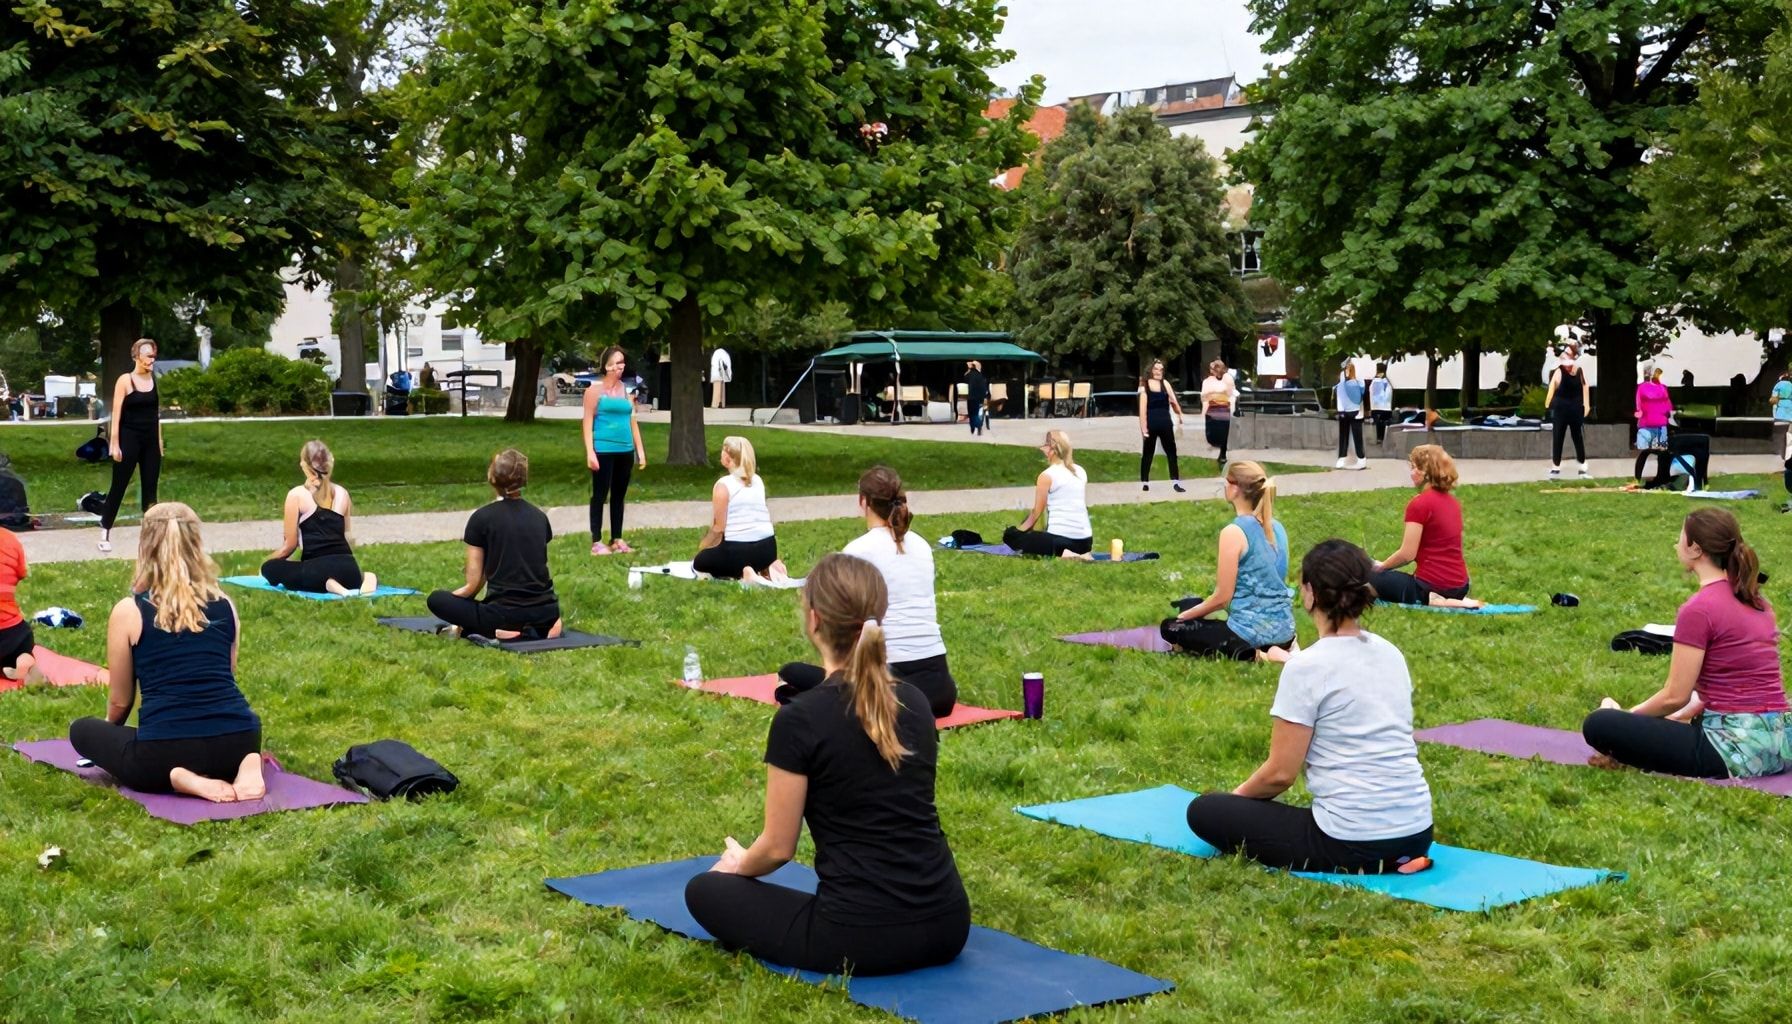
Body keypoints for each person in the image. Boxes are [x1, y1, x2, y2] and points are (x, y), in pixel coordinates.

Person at [684, 553, 970, 976]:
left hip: (858, 937)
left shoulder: (798, 721)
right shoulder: (913, 702)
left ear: (814, 620)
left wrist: (737, 866)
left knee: (704, 890)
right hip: (948, 923)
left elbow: (779, 848)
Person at [1187, 539, 1434, 873]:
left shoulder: (1306, 667)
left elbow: (1279, 775)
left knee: (1204, 811)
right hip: (1418, 831)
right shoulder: (1390, 652)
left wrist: (1234, 801)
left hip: (1348, 840)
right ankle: (1397, 857)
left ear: (1309, 592)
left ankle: (1378, 859)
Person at [68, 503, 265, 802]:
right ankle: (249, 763)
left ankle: (178, 775)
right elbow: (227, 672)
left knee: (81, 730)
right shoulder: (225, 604)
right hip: (239, 736)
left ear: (146, 547)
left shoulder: (129, 611)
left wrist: (113, 736)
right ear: (195, 544)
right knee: (225, 745)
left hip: (165, 748)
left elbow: (121, 701)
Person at [1583, 509, 1788, 777]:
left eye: (1680, 538)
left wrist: (1629, 718)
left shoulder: (1699, 609)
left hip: (1735, 751)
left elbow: (1674, 697)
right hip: (1779, 746)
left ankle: (1618, 732)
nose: (1675, 544)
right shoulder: (1758, 601)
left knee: (1600, 723)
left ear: (1695, 549)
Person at [777, 467, 957, 717]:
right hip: (940, 689)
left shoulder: (859, 551)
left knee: (792, 672)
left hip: (887, 684)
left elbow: (840, 616)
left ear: (864, 502)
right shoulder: (922, 546)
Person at [1162, 461, 1297, 661]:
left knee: (1171, 626)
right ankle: (1280, 649)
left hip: (1250, 635)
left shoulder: (1233, 532)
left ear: (1235, 488)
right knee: (1194, 607)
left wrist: (1185, 617)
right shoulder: (1277, 527)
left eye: (1226, 482)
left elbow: (1222, 598)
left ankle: (1261, 656)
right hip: (1286, 631)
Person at [426, 449, 562, 640]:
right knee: (522, 610)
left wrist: (454, 604)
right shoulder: (540, 517)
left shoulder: (481, 518)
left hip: (504, 614)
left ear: (492, 478)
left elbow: (472, 586)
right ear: (523, 480)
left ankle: (501, 630)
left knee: (437, 600)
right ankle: (545, 626)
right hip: (546, 611)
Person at [259, 440, 377, 596]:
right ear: (330, 462)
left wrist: (268, 561)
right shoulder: (343, 493)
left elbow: (290, 545)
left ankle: (332, 585)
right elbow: (347, 537)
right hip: (350, 569)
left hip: (317, 571)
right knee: (361, 575)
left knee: (270, 568)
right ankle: (365, 580)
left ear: (304, 465)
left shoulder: (296, 495)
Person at [1370, 445, 1481, 608]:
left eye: (1414, 468)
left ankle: (1437, 600)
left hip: (1430, 586)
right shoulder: (1453, 503)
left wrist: (1382, 566)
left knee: (1367, 577)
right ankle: (1452, 599)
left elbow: (1407, 554)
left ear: (1425, 473)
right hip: (1460, 586)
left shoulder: (1420, 504)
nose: (1411, 473)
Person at [98, 339, 164, 554]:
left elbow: (156, 415)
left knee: (150, 489)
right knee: (119, 486)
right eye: (148, 356)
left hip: (150, 441)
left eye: (153, 355)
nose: (151, 360)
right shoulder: (125, 381)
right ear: (136, 356)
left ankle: (151, 538)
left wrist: (160, 443)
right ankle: (105, 531)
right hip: (129, 438)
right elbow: (116, 415)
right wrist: (114, 444)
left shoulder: (153, 379)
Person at [692, 436, 789, 582]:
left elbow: (719, 528)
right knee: (754, 557)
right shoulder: (757, 480)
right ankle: (768, 566)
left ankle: (745, 572)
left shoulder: (723, 485)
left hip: (738, 552)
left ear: (727, 459)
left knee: (699, 562)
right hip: (768, 550)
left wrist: (703, 546)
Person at [581, 346, 647, 555]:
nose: (621, 366)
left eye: (622, 362)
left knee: (619, 495)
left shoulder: (626, 392)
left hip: (625, 450)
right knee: (600, 495)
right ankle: (597, 541)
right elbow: (587, 422)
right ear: (607, 365)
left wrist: (640, 450)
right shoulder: (594, 391)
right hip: (603, 448)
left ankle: (617, 538)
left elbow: (632, 422)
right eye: (617, 362)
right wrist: (590, 451)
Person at [1003, 430, 1092, 558]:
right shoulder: (1080, 471)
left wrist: (1018, 532)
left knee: (1011, 536)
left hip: (1059, 541)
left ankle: (1067, 554)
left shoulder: (1046, 476)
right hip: (1085, 542)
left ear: (1052, 450)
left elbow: (1035, 515)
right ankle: (1080, 553)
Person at [1138, 358, 1186, 492]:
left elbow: (1174, 401)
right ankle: (1145, 482)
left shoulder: (1165, 384)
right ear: (1151, 370)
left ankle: (1176, 482)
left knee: (1171, 452)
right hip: (1152, 423)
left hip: (1165, 422)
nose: (1158, 372)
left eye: (1161, 369)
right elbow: (1142, 411)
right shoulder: (1145, 386)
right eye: (1156, 369)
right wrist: (1144, 429)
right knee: (1148, 452)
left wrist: (1179, 414)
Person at [1545, 342, 1591, 479]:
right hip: (1561, 409)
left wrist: (1586, 405)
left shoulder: (1579, 371)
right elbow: (1552, 386)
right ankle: (1555, 467)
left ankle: (1582, 466)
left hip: (1575, 408)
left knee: (1577, 437)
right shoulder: (1559, 371)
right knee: (1558, 436)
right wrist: (1548, 402)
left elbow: (1585, 387)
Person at [0, 524, 36, 684]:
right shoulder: (9, 538)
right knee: (18, 650)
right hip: (16, 632)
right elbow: (21, 572)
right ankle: (23, 658)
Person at [1630, 364, 1674, 489]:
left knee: (1662, 453)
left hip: (1660, 424)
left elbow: (1668, 405)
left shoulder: (1662, 388)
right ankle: (1639, 478)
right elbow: (1639, 404)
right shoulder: (1643, 388)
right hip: (1648, 424)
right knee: (1645, 451)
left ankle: (1661, 477)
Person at [1200, 360, 1238, 468]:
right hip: (1212, 409)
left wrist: (1231, 407)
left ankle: (1223, 454)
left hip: (1224, 408)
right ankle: (1220, 450)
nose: (1212, 371)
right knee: (1213, 433)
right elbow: (1205, 397)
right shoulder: (1208, 381)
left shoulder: (1227, 379)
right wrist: (1204, 411)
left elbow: (1231, 393)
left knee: (1224, 433)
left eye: (1213, 369)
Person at [1333, 364, 1367, 470]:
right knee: (1343, 435)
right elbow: (1340, 397)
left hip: (1356, 412)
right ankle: (1342, 458)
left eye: (1349, 370)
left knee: (1357, 436)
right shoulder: (1341, 384)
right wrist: (1341, 411)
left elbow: (1362, 397)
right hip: (1345, 412)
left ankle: (1361, 459)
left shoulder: (1359, 383)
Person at [1369, 363, 1395, 444]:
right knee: (1382, 424)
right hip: (1385, 407)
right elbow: (1388, 394)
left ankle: (1380, 439)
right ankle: (1381, 439)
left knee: (1379, 424)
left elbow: (1373, 393)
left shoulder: (1376, 381)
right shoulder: (1386, 381)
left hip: (1377, 407)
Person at [963, 361, 989, 436]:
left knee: (971, 414)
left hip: (971, 397)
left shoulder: (970, 374)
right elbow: (983, 388)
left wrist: (968, 369)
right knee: (975, 413)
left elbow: (964, 378)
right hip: (978, 397)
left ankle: (976, 425)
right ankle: (976, 426)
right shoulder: (980, 375)